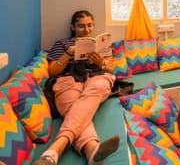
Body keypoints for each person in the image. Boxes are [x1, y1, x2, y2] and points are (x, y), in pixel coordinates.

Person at [34, 10, 119, 165]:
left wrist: (101, 63)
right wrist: (68, 53)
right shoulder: (62, 44)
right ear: (73, 27)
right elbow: (51, 71)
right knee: (73, 104)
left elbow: (113, 70)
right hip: (68, 78)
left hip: (95, 76)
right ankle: (92, 150)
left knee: (98, 87)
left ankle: (53, 151)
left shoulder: (101, 43)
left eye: (89, 25)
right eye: (81, 26)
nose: (86, 30)